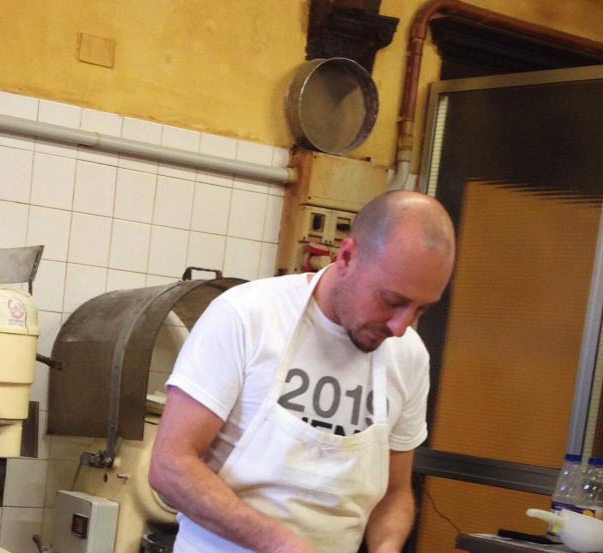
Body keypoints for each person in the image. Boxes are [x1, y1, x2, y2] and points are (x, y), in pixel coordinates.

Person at [149, 190, 456, 553]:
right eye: (391, 301)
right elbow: (171, 465)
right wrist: (282, 546)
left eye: (421, 310)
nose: (401, 326)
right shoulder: (247, 316)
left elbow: (395, 492)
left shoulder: (409, 357)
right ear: (347, 256)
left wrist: (386, 548)